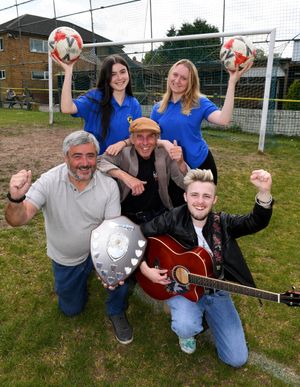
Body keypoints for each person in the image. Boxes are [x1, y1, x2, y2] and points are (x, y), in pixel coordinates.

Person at [5, 130, 133, 345]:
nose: (85, 163)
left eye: (91, 156)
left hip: (97, 249)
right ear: (66, 157)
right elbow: (19, 219)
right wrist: (16, 199)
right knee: (71, 310)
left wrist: (113, 264)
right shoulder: (48, 181)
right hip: (66, 257)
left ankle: (116, 310)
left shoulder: (108, 185)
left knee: (121, 271)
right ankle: (75, 283)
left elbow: (113, 229)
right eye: (77, 156)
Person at [140, 168, 273, 367]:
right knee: (185, 326)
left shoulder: (223, 223)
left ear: (214, 200)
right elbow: (138, 236)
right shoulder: (172, 218)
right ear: (185, 196)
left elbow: (255, 222)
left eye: (206, 196)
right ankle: (184, 324)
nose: (200, 201)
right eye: (194, 195)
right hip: (182, 288)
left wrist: (264, 192)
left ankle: (205, 316)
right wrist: (144, 268)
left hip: (216, 289)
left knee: (236, 359)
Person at [150, 59, 252, 204]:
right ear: (169, 76)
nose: (177, 80)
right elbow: (150, 138)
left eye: (184, 78)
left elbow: (224, 119)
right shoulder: (158, 108)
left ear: (190, 82)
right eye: (175, 75)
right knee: (180, 211)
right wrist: (164, 142)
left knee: (202, 209)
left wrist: (232, 83)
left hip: (201, 164)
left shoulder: (199, 102)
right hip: (175, 168)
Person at [98, 116, 188, 224]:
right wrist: (125, 177)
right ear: (132, 139)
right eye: (139, 137)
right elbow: (98, 162)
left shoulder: (165, 154)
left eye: (150, 137)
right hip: (128, 216)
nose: (145, 142)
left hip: (158, 216)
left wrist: (181, 163)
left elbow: (186, 183)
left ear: (156, 139)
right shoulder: (124, 153)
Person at [57, 54, 142, 155]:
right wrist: (68, 72)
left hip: (124, 161)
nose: (119, 77)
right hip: (97, 163)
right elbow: (67, 108)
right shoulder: (95, 98)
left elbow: (136, 136)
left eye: (122, 72)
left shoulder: (134, 104)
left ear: (128, 73)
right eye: (113, 74)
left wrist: (122, 143)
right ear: (106, 77)